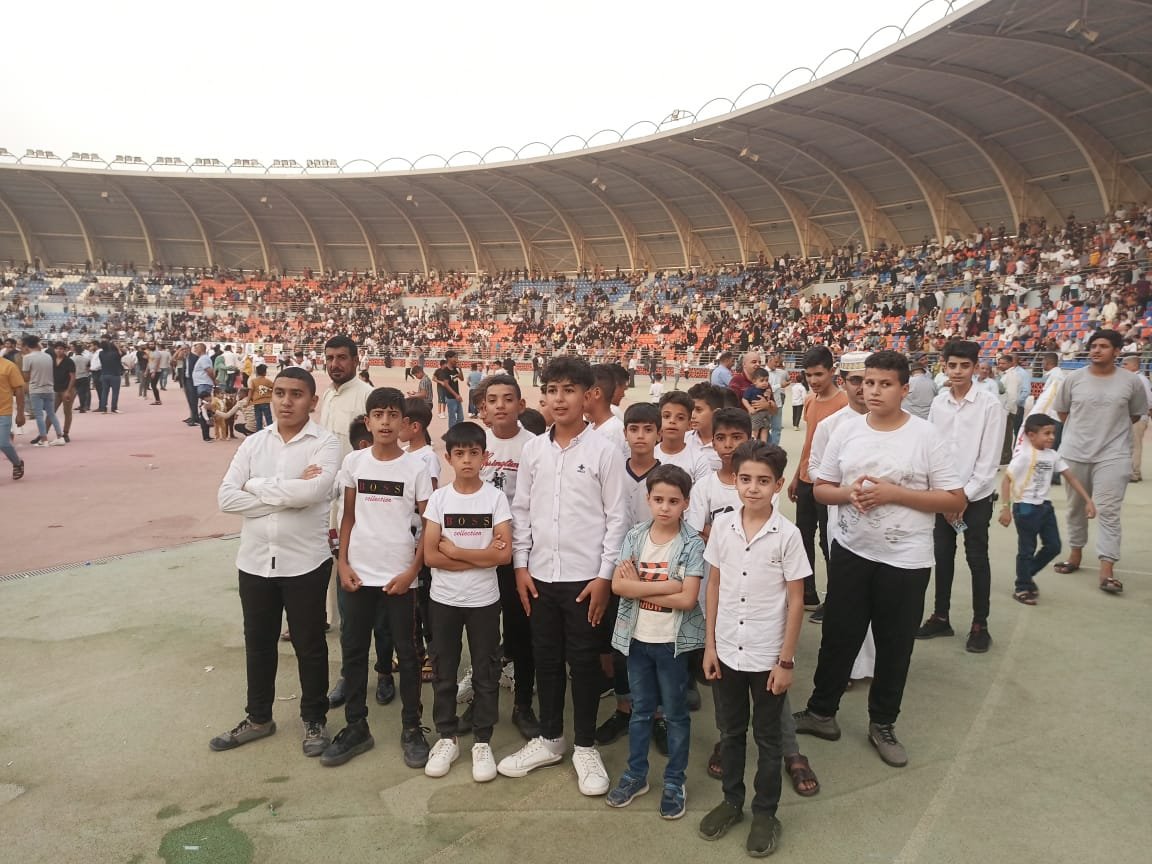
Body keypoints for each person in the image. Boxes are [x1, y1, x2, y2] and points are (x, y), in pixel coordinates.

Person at [796, 351, 964, 768]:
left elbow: (954, 499)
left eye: (885, 384)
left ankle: (883, 723)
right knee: (839, 635)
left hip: (905, 559)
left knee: (894, 644)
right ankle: (821, 712)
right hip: (852, 550)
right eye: (868, 382)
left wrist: (895, 494)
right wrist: (848, 493)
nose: (873, 391)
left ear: (905, 389)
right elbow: (822, 488)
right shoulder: (846, 431)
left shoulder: (925, 436)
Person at [498, 356, 629, 797]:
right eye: (552, 390)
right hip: (539, 576)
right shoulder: (534, 450)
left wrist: (604, 577)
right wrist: (520, 566)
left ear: (588, 396)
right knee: (546, 659)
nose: (559, 399)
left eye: (569, 390)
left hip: (585, 580)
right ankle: (551, 739)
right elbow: (521, 511)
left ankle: (585, 746)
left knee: (585, 662)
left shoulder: (605, 451)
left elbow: (617, 518)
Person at [211, 367, 341, 758]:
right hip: (255, 562)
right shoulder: (254, 443)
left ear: (312, 401)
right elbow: (226, 498)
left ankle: (314, 719)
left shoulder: (326, 443)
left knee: (310, 645)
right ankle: (258, 718)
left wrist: (255, 486)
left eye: (296, 394)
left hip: (305, 562)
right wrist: (288, 493)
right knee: (258, 643)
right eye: (280, 393)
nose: (286, 401)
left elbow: (314, 492)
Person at [699, 441, 807, 857]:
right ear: (736, 481)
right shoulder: (723, 527)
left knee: (768, 738)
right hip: (727, 651)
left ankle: (765, 813)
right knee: (730, 732)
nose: (753, 488)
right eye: (745, 479)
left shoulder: (788, 536)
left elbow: (795, 599)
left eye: (763, 481)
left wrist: (785, 661)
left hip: (767, 657)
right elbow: (714, 586)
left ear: (778, 485)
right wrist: (710, 646)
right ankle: (732, 801)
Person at [324, 386, 433, 769]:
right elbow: (348, 517)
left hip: (400, 577)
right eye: (378, 415)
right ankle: (356, 726)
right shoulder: (354, 463)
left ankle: (412, 728)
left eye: (393, 415)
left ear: (404, 422)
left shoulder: (416, 468)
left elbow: (429, 526)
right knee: (354, 651)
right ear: (368, 422)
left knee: (408, 654)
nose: (386, 422)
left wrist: (412, 571)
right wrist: (343, 564)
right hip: (358, 575)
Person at [605, 464, 704, 821]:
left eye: (673, 501)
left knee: (675, 715)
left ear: (686, 503)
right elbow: (618, 586)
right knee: (640, 711)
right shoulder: (635, 536)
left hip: (671, 644)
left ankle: (675, 781)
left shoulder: (691, 544)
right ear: (648, 499)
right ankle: (636, 775)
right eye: (658, 499)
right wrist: (669, 585)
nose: (665, 507)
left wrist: (639, 587)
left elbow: (688, 599)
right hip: (637, 640)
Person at [421, 421, 513, 782]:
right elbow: (431, 555)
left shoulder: (495, 499)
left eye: (474, 453)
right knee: (444, 670)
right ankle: (447, 737)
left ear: (484, 456)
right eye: (459, 454)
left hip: (484, 601)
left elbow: (503, 556)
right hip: (443, 599)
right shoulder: (439, 500)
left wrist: (457, 551)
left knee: (486, 672)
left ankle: (482, 741)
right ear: (448, 458)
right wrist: (482, 555)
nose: (467, 460)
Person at [917, 340, 1004, 654]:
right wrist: (942, 495)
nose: (957, 371)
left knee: (977, 559)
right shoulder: (939, 403)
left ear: (976, 367)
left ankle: (980, 624)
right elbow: (932, 450)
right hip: (943, 496)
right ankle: (941, 616)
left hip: (975, 497)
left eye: (964, 366)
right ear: (944, 365)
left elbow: (989, 461)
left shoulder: (990, 405)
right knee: (942, 556)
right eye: (952, 365)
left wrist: (962, 498)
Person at [1051, 330, 1148, 594]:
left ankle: (1107, 569)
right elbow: (1063, 412)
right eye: (1093, 345)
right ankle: (1075, 555)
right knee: (1075, 507)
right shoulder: (1073, 379)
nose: (1096, 350)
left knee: (1108, 510)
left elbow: (1136, 414)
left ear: (1117, 351)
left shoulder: (1131, 382)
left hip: (1114, 454)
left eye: (1103, 346)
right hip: (1075, 452)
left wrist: (1109, 432)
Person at [477, 374, 540, 740]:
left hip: (519, 554)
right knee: (484, 634)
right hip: (479, 553)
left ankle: (523, 704)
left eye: (507, 398)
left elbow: (534, 504)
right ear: (484, 407)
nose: (500, 405)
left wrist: (522, 555)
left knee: (521, 631)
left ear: (521, 404)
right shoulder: (476, 444)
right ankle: (482, 702)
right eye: (492, 399)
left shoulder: (534, 446)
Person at [999, 414, 1096, 605]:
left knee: (1054, 546)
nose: (1052, 437)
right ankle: (1022, 587)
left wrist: (1088, 500)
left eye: (1053, 433)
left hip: (1045, 507)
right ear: (1031, 435)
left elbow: (1071, 478)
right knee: (1027, 550)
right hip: (1025, 507)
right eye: (1047, 433)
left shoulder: (1052, 455)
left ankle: (1026, 576)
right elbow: (1006, 481)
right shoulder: (1024, 456)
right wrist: (1005, 508)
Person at [787, 346, 847, 615]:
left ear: (832, 371)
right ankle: (807, 591)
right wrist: (795, 476)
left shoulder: (844, 404)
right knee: (802, 537)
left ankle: (835, 597)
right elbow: (808, 442)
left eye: (819, 374)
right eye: (808, 375)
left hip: (828, 482)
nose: (813, 380)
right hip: (805, 479)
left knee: (828, 540)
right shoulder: (810, 400)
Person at [655, 391, 711, 485]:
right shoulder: (650, 455)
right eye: (666, 416)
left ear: (689, 425)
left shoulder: (699, 460)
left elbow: (704, 492)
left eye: (680, 418)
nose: (672, 421)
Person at [19, 336, 65, 446]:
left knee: (39, 416)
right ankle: (60, 436)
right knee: (51, 414)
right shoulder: (48, 356)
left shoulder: (27, 358)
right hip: (49, 388)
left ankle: (44, 439)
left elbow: (26, 377)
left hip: (36, 389)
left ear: (26, 346)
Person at [1121, 356, 1151, 482]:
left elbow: (1148, 398)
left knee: (1135, 445)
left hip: (1138, 417)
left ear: (1134, 366)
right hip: (1133, 416)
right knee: (1131, 445)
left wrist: (1145, 413)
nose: (1122, 366)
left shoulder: (1140, 379)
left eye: (1125, 364)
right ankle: (1133, 471)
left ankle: (1134, 473)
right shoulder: (1133, 378)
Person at [686, 382, 725, 471]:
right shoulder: (683, 440)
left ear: (716, 413)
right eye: (690, 409)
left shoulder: (728, 445)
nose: (692, 415)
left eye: (698, 410)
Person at [1, 352, 26, 480]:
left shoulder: (9, 366)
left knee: (3, 443)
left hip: (3, 411)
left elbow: (19, 389)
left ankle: (17, 463)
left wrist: (20, 413)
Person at [743, 368, 776, 443]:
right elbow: (744, 399)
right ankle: (753, 443)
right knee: (755, 429)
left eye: (766, 380)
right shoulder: (751, 390)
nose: (765, 383)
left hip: (766, 414)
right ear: (754, 381)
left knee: (765, 429)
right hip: (756, 413)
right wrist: (749, 408)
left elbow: (771, 402)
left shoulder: (767, 390)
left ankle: (763, 444)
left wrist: (769, 401)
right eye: (762, 380)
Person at [51, 342, 75, 443]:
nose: (58, 350)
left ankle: (65, 433)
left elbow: (73, 377)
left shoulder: (69, 361)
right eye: (57, 348)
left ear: (65, 350)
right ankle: (43, 433)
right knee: (51, 411)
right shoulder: (52, 360)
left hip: (67, 389)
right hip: (55, 389)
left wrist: (68, 391)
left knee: (67, 412)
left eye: (61, 349)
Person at [435, 351, 465, 428]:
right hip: (451, 398)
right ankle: (452, 433)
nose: (456, 359)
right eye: (455, 357)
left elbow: (462, 379)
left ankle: (456, 431)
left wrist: (460, 369)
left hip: (457, 396)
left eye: (457, 357)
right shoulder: (445, 370)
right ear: (448, 358)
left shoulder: (454, 369)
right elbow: (446, 384)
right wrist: (456, 395)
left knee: (461, 418)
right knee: (452, 418)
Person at [249, 364, 274, 431]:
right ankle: (271, 431)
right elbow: (274, 388)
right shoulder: (268, 381)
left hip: (256, 402)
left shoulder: (253, 381)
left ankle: (259, 433)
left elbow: (251, 391)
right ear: (265, 373)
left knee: (258, 419)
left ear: (256, 372)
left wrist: (248, 401)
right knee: (268, 418)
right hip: (265, 402)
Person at [71, 342, 91, 413]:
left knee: (72, 393)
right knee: (82, 393)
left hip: (75, 377)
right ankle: (82, 407)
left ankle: (69, 406)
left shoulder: (71, 359)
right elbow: (88, 369)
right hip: (84, 377)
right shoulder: (86, 359)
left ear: (75, 351)